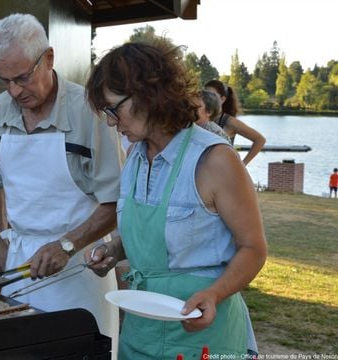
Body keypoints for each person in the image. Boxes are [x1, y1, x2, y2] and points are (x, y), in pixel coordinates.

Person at [84, 39, 267, 359]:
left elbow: (253, 248)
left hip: (203, 333)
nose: (111, 122)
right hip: (141, 329)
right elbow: (154, 235)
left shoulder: (214, 159)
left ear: (148, 93)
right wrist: (114, 250)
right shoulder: (135, 156)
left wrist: (214, 293)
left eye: (114, 109)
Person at [0, 13, 123, 354]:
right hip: (19, 262)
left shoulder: (89, 113)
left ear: (49, 59)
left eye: (23, 77)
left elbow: (114, 201)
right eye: (4, 79)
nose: (14, 91)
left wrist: (67, 246)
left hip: (80, 268)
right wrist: (1, 246)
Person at [205, 79, 266, 165]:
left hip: (224, 172)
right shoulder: (203, 119)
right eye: (205, 94)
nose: (207, 98)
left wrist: (242, 165)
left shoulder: (229, 121)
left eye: (212, 95)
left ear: (222, 99)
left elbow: (260, 140)